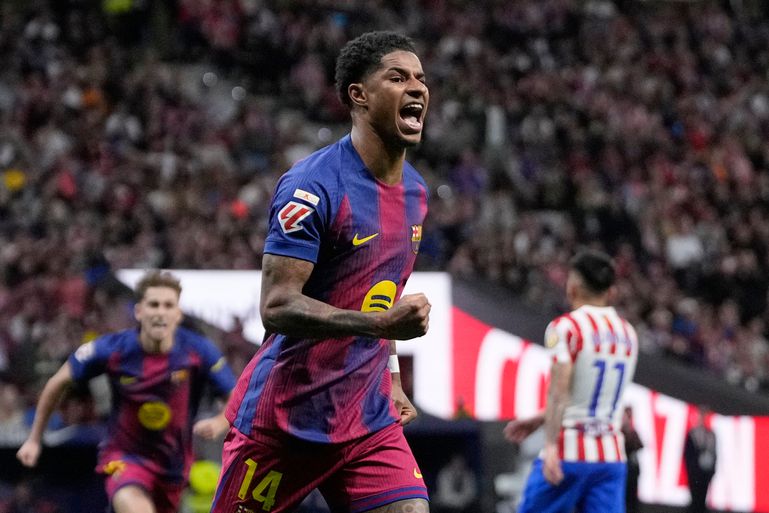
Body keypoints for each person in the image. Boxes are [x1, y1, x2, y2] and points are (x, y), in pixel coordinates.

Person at [211, 30, 431, 513]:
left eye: (420, 78)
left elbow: (383, 293)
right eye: (398, 78)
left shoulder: (415, 192)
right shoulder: (312, 186)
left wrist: (393, 377)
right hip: (287, 421)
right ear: (359, 95)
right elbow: (277, 306)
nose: (417, 87)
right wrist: (378, 324)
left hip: (368, 419)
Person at [16, 270, 237, 513]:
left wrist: (220, 421)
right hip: (123, 458)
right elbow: (57, 382)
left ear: (178, 314)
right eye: (153, 304)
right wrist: (34, 439)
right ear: (139, 311)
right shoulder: (113, 349)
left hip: (173, 468)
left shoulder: (198, 350)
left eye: (168, 305)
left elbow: (234, 394)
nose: (160, 312)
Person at [503, 249, 639, 513]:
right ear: (610, 291)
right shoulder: (628, 333)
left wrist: (550, 446)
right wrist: (539, 418)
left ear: (573, 287)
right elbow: (595, 397)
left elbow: (560, 391)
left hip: (570, 450)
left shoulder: (566, 327)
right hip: (611, 456)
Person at [683, 406, 717, 513]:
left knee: (701, 499)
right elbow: (688, 455)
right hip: (695, 474)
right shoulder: (692, 434)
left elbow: (714, 455)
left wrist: (711, 472)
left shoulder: (711, 435)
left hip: (704, 474)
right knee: (695, 499)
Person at [621, 406, 643, 513]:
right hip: (625, 470)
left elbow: (640, 445)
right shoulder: (620, 432)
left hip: (632, 470)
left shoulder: (632, 432)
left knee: (631, 500)